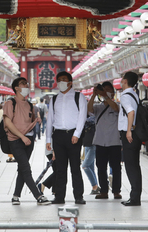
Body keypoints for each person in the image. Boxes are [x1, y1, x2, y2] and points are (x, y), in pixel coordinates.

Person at [3, 77, 51, 205]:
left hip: (28, 140)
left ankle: (15, 196)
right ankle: (38, 195)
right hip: (16, 140)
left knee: (22, 168)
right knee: (26, 168)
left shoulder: (29, 104)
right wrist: (22, 136)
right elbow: (8, 122)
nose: (26, 86)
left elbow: (30, 121)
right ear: (16, 88)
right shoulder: (10, 103)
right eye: (23, 84)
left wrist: (36, 122)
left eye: (26, 83)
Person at [46, 71, 87, 205]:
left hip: (73, 135)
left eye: (64, 80)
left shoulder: (78, 96)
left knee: (75, 167)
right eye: (59, 80)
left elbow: (82, 116)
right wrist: (48, 140)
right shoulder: (54, 99)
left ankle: (78, 196)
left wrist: (77, 134)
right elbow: (50, 120)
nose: (61, 82)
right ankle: (59, 196)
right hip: (58, 135)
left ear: (70, 82)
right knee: (60, 168)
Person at [88, 81, 121, 200]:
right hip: (100, 141)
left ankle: (116, 191)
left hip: (115, 141)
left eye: (108, 89)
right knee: (101, 167)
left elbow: (115, 108)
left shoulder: (118, 105)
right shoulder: (98, 106)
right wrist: (94, 94)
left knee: (116, 167)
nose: (105, 91)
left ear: (113, 92)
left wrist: (105, 96)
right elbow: (89, 109)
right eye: (103, 89)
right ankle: (104, 191)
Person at [118, 71, 142, 207]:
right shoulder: (134, 94)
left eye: (122, 79)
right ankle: (135, 196)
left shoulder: (125, 95)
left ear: (125, 81)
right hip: (135, 133)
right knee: (135, 166)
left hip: (129, 135)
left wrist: (128, 131)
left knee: (130, 166)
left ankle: (134, 198)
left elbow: (131, 112)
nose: (121, 81)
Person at [81, 115, 99, 196]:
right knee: (91, 167)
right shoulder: (84, 115)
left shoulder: (93, 118)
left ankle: (95, 186)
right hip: (87, 144)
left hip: (94, 144)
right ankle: (95, 187)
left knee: (85, 166)